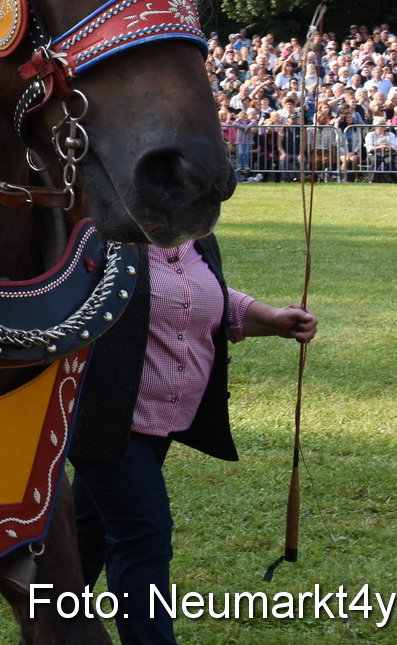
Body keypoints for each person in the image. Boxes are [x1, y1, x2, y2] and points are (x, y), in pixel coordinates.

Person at [68, 235, 317, 645]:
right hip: (107, 422)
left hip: (162, 419)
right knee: (143, 537)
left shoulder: (196, 241)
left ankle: (48, 629)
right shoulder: (108, 238)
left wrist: (273, 318)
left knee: (87, 531)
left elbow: (209, 294)